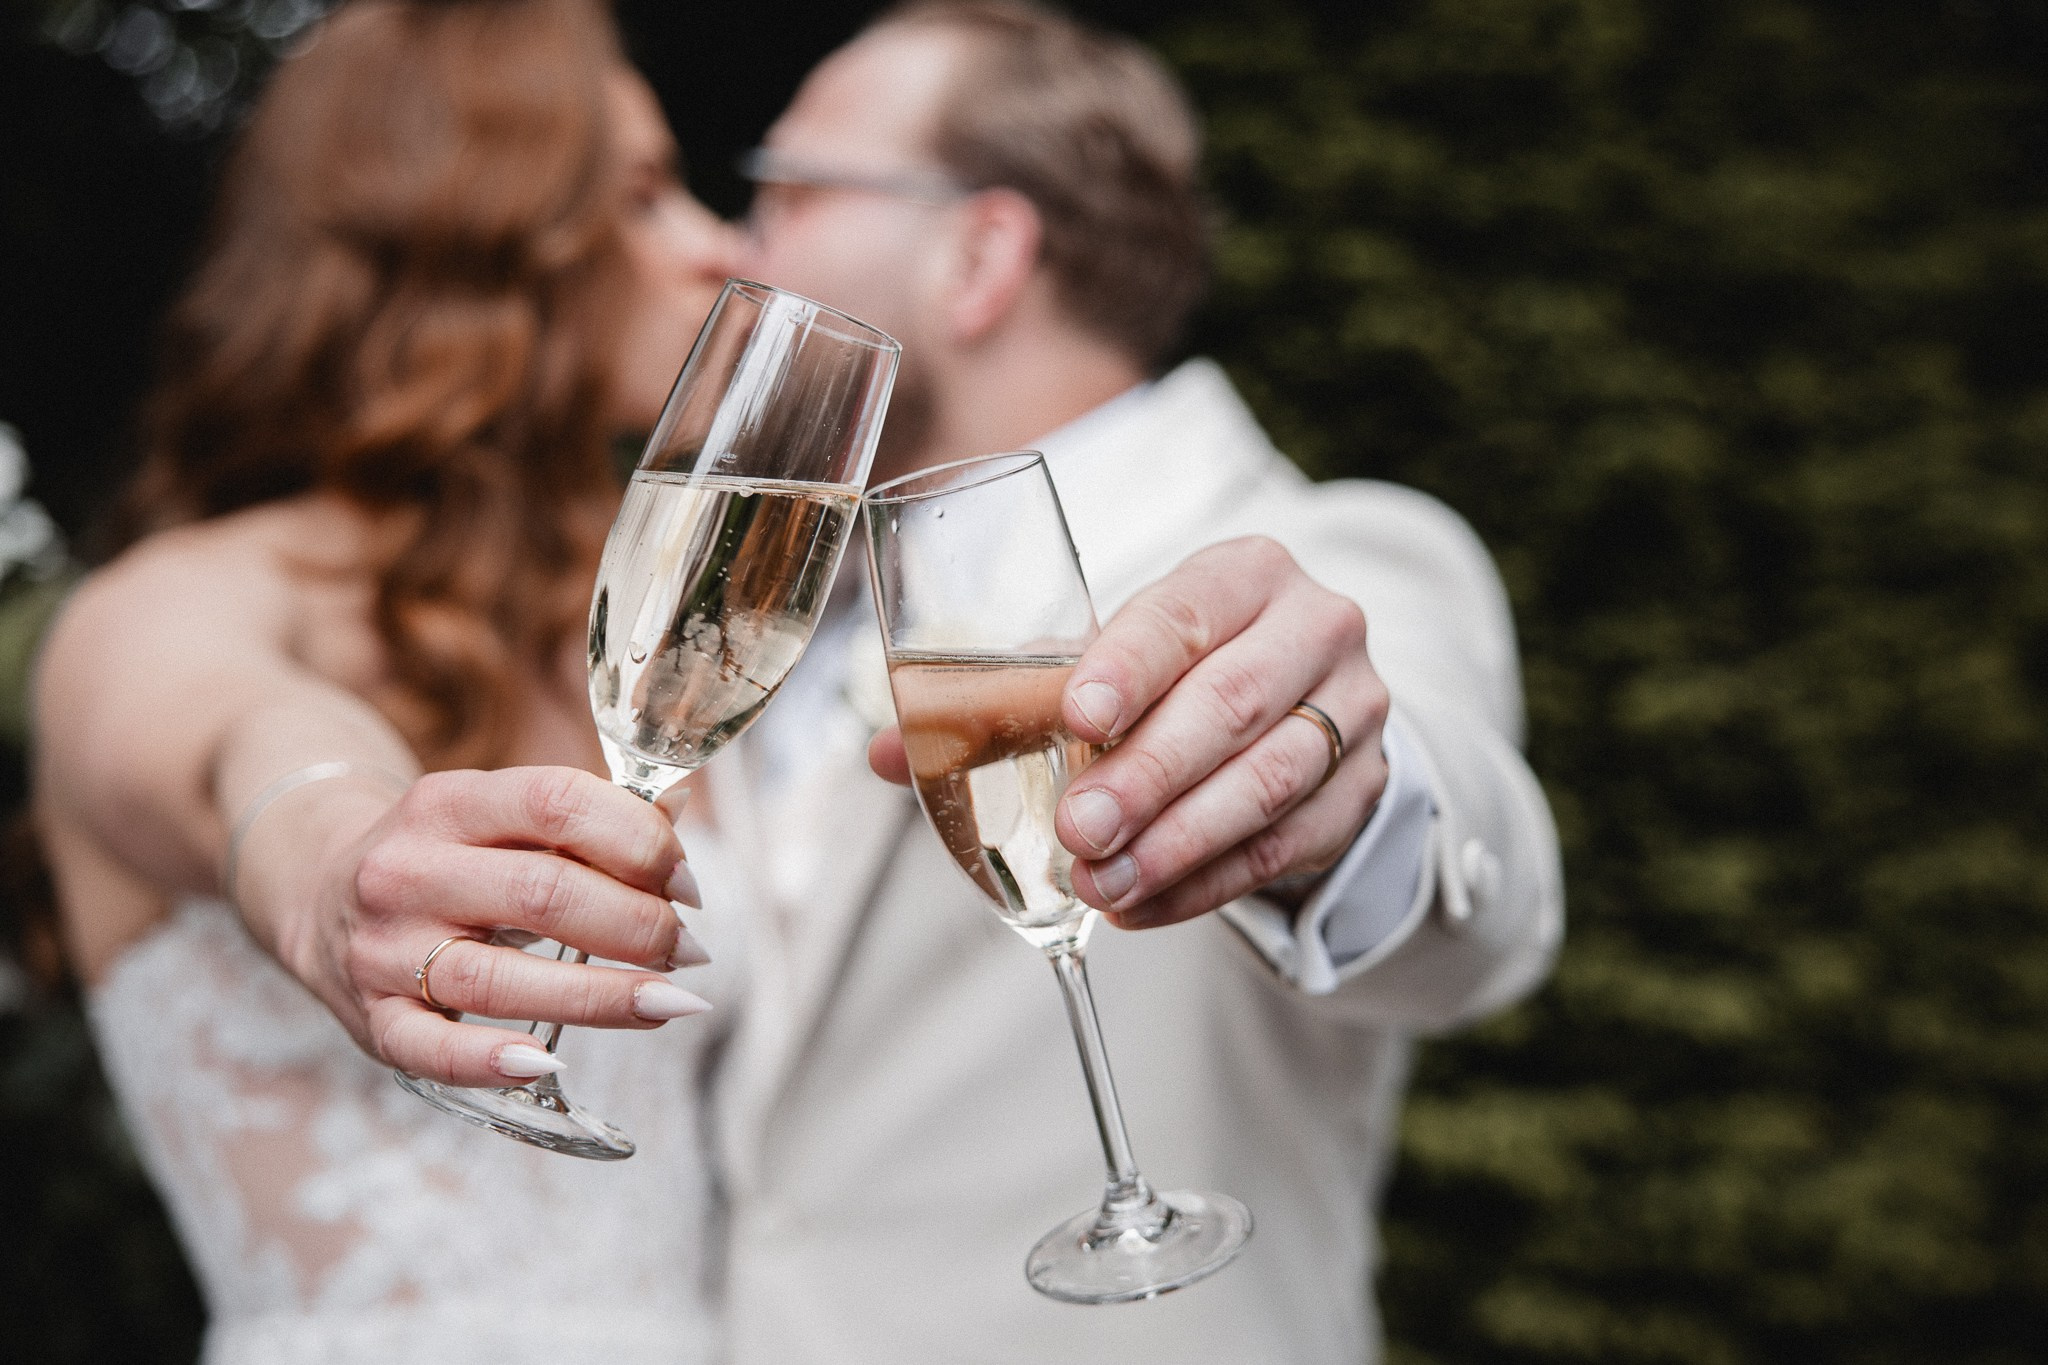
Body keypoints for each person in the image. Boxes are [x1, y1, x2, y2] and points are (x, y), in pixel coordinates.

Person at [693, 3, 1563, 1360]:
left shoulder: (1333, 557)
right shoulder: (769, 608)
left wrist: (1336, 798)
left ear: (982, 255)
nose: (731, 249)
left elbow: (1469, 885)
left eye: (787, 192)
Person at [31, 1, 745, 1360]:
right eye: (647, 197)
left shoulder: (639, 654)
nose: (722, 246)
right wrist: (328, 858)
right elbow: (243, 740)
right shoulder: (162, 607)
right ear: (480, 241)